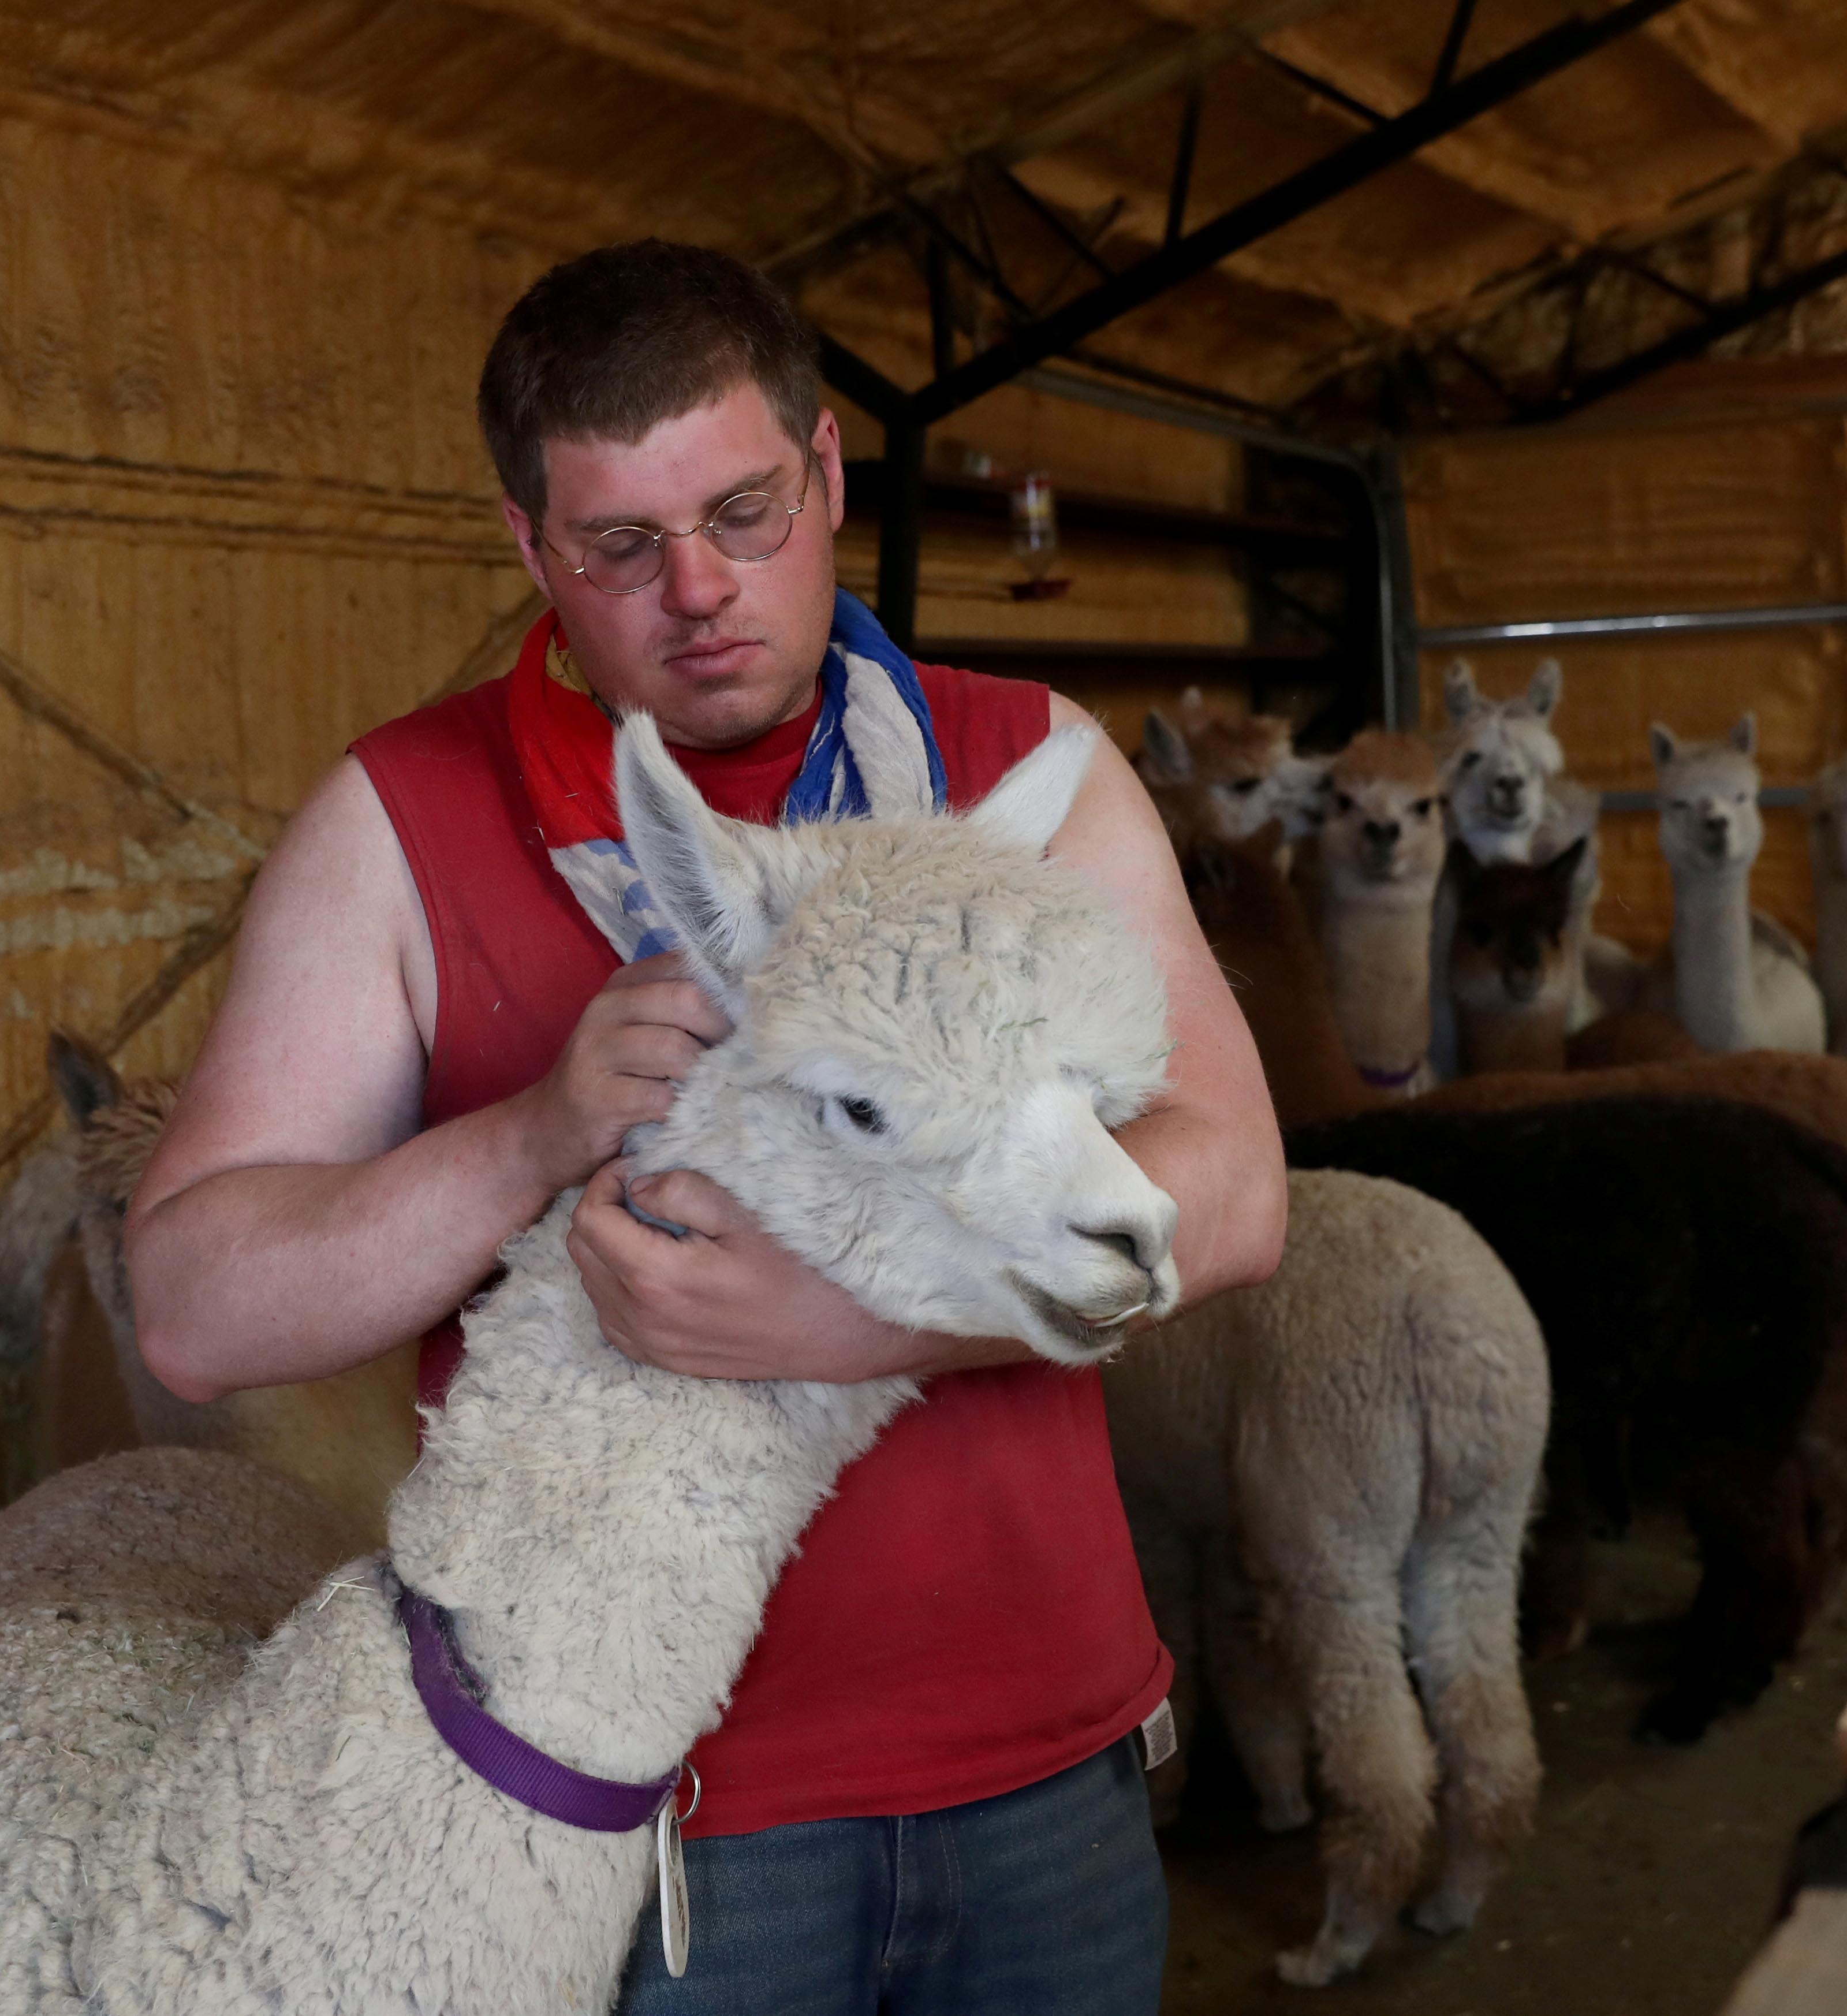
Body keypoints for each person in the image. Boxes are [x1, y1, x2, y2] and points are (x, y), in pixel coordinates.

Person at [124, 238, 1286, 2014]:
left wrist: (850, 1323)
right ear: (531, 549)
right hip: (652, 1822)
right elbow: (197, 1308)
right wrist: (534, 1130)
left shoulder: (1022, 772)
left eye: (745, 511)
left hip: (1043, 1762)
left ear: (827, 473)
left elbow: (1236, 1187)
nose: (701, 589)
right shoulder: (401, 820)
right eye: (619, 547)